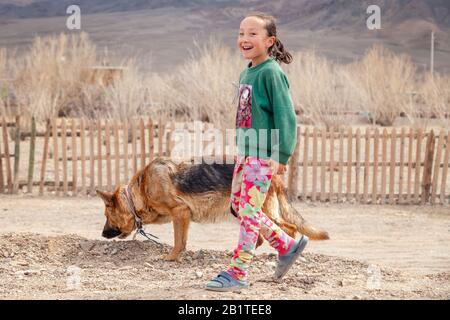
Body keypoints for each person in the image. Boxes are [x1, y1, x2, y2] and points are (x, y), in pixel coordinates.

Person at [205, 12, 308, 292]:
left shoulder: (272, 73)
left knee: (250, 211)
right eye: (241, 33)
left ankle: (238, 272)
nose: (244, 39)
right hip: (246, 153)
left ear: (269, 40)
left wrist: (281, 155)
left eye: (252, 34)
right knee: (240, 208)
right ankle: (287, 246)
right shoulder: (247, 71)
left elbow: (286, 116)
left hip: (263, 157)